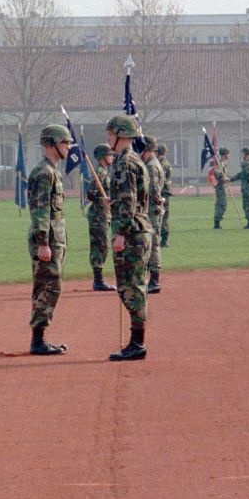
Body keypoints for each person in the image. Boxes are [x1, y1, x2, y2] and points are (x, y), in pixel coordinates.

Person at [106, 113, 152, 361]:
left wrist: (121, 233)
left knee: (131, 288)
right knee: (133, 287)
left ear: (121, 136)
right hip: (138, 229)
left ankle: (137, 344)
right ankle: (137, 342)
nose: (108, 138)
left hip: (132, 232)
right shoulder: (131, 160)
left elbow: (128, 202)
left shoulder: (125, 163)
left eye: (111, 134)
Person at [27, 123, 73, 355]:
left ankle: (40, 337)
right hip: (48, 239)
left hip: (54, 236)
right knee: (49, 286)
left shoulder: (52, 170)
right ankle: (38, 340)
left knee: (47, 285)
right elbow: (40, 210)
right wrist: (43, 242)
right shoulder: (45, 172)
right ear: (53, 144)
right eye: (65, 142)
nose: (68, 147)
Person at [87, 143, 116, 291]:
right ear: (102, 157)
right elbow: (90, 193)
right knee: (100, 246)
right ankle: (98, 281)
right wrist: (102, 199)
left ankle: (99, 280)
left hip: (104, 213)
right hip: (98, 215)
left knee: (103, 246)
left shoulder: (104, 171)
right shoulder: (100, 172)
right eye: (109, 154)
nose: (112, 157)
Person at [141, 138, 166, 292]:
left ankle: (155, 280)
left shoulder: (150, 166)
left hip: (151, 210)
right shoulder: (152, 163)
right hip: (151, 209)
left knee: (153, 244)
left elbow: (153, 190)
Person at [230, 145, 249, 228]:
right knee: (247, 205)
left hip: (248, 188)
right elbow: (242, 174)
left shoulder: (247, 163)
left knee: (248, 205)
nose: (242, 156)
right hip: (248, 187)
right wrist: (231, 179)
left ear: (246, 154)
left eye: (243, 154)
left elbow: (248, 174)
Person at [154, 142, 173, 247]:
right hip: (160, 192)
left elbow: (163, 180)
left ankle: (164, 239)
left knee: (163, 216)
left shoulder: (163, 165)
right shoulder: (160, 163)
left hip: (163, 193)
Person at [212, 147, 230, 228]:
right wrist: (222, 178)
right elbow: (216, 173)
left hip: (223, 187)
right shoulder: (220, 163)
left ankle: (217, 222)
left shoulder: (223, 163)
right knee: (221, 204)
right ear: (224, 155)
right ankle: (217, 223)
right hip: (220, 187)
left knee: (222, 204)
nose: (228, 157)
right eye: (227, 155)